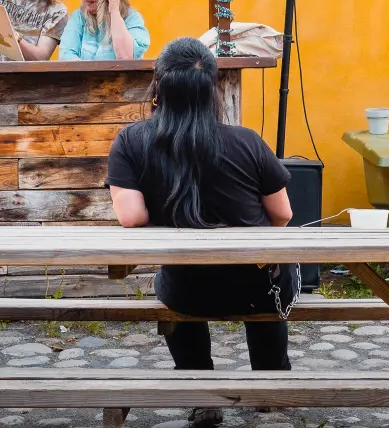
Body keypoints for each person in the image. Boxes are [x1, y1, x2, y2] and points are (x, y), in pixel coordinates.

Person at [106, 37, 296, 427]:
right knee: (273, 274)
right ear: (211, 88)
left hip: (187, 290)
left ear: (158, 86)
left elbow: (132, 216)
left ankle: (200, 390)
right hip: (255, 290)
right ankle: (270, 385)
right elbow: (283, 214)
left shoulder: (131, 141)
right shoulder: (247, 141)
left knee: (172, 282)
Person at [59, 0, 151, 61]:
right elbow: (66, 55)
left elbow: (126, 58)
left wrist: (114, 10)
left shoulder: (132, 19)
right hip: (83, 72)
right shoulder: (79, 17)